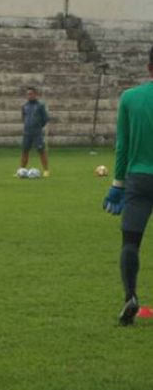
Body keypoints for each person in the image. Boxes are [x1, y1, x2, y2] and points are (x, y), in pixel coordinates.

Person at [103, 46, 153, 326]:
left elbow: (121, 145)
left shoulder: (130, 98)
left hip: (139, 179)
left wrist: (117, 185)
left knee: (130, 242)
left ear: (148, 67)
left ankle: (130, 296)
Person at [20, 87, 50, 177]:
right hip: (27, 132)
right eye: (28, 94)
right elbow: (23, 117)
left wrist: (38, 126)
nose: (29, 96)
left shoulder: (40, 105)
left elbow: (45, 119)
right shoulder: (24, 106)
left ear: (35, 95)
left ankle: (46, 170)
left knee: (41, 151)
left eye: (31, 94)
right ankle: (22, 170)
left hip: (37, 132)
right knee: (25, 151)